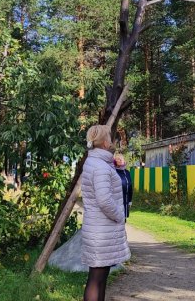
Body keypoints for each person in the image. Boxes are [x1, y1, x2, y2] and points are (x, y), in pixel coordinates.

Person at [81, 125, 131, 301]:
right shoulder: (100, 167)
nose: (112, 141)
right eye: (109, 138)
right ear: (103, 143)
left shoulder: (95, 162)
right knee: (96, 279)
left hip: (98, 228)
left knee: (100, 279)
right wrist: (119, 215)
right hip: (101, 231)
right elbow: (104, 200)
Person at [113, 153, 133, 218]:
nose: (121, 160)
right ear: (115, 161)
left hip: (125, 201)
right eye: (118, 159)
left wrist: (130, 201)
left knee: (123, 220)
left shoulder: (127, 172)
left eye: (122, 158)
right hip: (116, 202)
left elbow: (130, 187)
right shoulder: (113, 171)